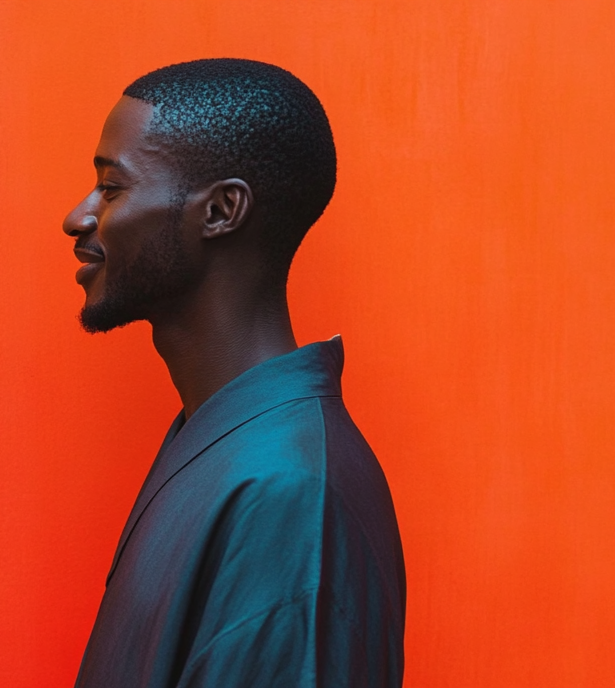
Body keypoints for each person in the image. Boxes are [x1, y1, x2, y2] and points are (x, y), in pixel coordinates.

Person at [63, 59, 405, 687]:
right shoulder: (224, 441)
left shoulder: (289, 497)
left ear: (221, 210)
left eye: (111, 189)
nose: (78, 218)